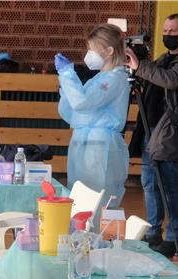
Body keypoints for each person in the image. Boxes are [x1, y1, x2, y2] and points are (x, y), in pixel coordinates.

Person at [126, 13, 178, 258]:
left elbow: (171, 81)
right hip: (154, 130)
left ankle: (174, 237)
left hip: (172, 131)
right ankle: (153, 231)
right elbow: (154, 81)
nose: (167, 35)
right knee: (149, 183)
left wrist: (141, 66)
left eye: (173, 31)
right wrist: (137, 71)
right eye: (165, 31)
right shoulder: (162, 59)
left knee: (168, 185)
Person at [55, 23, 131, 209]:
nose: (88, 54)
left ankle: (97, 237)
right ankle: (83, 237)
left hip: (100, 147)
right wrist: (66, 88)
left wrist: (67, 76)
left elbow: (82, 103)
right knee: (79, 197)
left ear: (109, 51)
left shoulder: (115, 79)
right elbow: (71, 112)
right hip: (82, 143)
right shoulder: (98, 78)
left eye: (92, 49)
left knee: (98, 200)